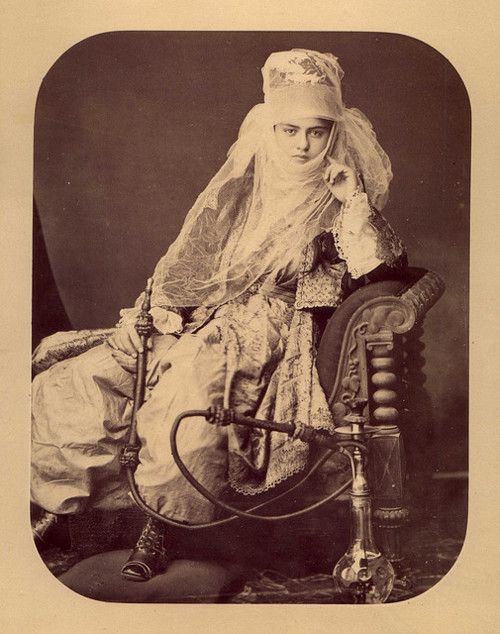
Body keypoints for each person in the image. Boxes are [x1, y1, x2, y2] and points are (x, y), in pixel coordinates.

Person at [31, 49, 407, 582]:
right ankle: (54, 510)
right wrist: (159, 307)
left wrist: (353, 205)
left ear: (334, 133)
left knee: (189, 386)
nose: (303, 144)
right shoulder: (241, 189)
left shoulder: (340, 196)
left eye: (317, 132)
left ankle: (159, 527)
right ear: (268, 129)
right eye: (290, 130)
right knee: (90, 376)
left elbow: (380, 270)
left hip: (272, 325)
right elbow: (191, 261)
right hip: (208, 314)